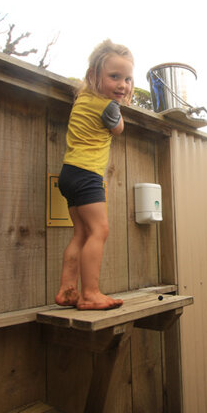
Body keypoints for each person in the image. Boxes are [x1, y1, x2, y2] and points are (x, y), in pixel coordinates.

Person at [54, 39, 133, 310]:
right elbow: (118, 129)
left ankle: (67, 290)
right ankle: (90, 293)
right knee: (100, 229)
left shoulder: (84, 98)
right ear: (94, 76)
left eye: (127, 79)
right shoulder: (107, 107)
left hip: (69, 173)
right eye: (114, 77)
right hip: (87, 174)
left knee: (81, 233)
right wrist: (118, 107)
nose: (123, 85)